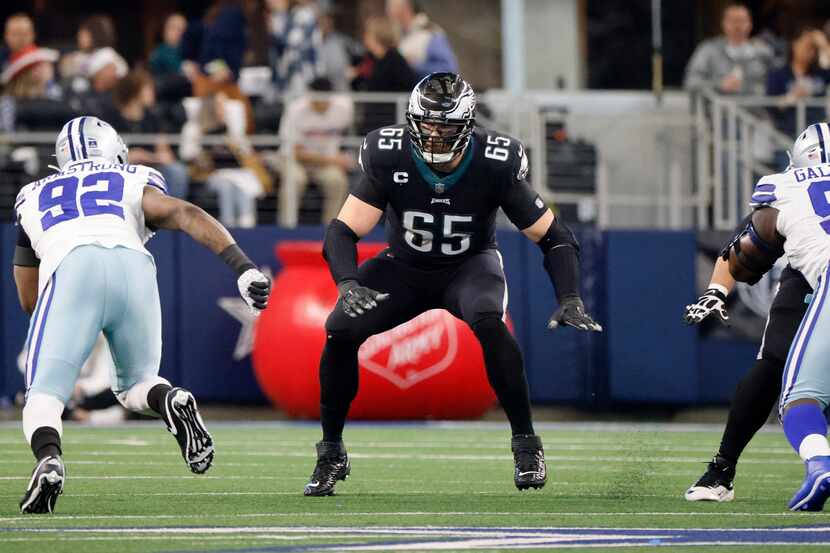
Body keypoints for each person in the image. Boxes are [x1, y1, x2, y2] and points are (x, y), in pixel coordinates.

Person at [303, 73, 602, 497]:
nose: (433, 133)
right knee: (339, 329)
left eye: (444, 125)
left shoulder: (494, 162)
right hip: (403, 267)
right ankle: (331, 451)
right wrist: (348, 283)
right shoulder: (389, 155)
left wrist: (569, 296)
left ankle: (526, 444)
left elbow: (555, 237)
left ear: (466, 125)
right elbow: (342, 231)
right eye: (426, 123)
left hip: (468, 266)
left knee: (488, 320)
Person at [13, 116, 271, 513]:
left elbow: (28, 299)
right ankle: (170, 399)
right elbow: (185, 213)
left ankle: (49, 460)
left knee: (43, 396)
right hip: (133, 265)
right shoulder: (133, 176)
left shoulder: (32, 193)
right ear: (114, 147)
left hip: (71, 267)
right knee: (137, 385)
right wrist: (243, 267)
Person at [723, 122, 830, 511]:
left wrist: (740, 266)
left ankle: (819, 464)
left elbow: (751, 252)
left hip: (826, 276)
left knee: (800, 399)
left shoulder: (782, 185)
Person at [683, 229, 812, 502]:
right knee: (773, 364)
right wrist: (716, 290)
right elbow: (745, 239)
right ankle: (723, 468)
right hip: (806, 278)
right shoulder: (787, 188)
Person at [274, 76, 354, 225]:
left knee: (337, 181)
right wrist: (333, 160)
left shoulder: (343, 109)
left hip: (324, 163)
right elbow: (297, 153)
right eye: (317, 99)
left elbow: (348, 137)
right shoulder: (296, 109)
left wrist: (343, 157)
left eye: (325, 99)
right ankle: (287, 227)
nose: (321, 103)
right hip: (293, 160)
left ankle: (331, 231)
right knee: (295, 180)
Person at [110, 69, 189, 198]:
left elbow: (165, 154)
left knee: (176, 171)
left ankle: (172, 212)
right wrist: (136, 156)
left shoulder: (154, 118)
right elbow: (116, 157)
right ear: (135, 91)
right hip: (124, 170)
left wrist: (144, 155)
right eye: (148, 89)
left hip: (151, 169)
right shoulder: (113, 119)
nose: (153, 93)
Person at [684, 2, 773, 95]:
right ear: (724, 24)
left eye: (742, 21)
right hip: (718, 107)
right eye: (733, 21)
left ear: (750, 24)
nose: (738, 26)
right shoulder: (708, 50)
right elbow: (690, 82)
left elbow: (776, 84)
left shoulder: (763, 52)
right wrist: (719, 85)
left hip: (755, 107)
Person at [766, 29, 830, 139]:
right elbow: (770, 105)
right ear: (794, 44)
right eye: (805, 45)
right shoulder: (778, 74)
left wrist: (824, 45)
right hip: (785, 136)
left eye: (813, 48)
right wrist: (791, 97)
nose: (809, 51)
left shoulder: (821, 74)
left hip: (816, 138)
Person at [385, 0, 458, 78]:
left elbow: (448, 70)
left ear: (406, 8)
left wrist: (414, 65)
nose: (387, 11)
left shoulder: (430, 34)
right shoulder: (399, 35)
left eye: (391, 7)